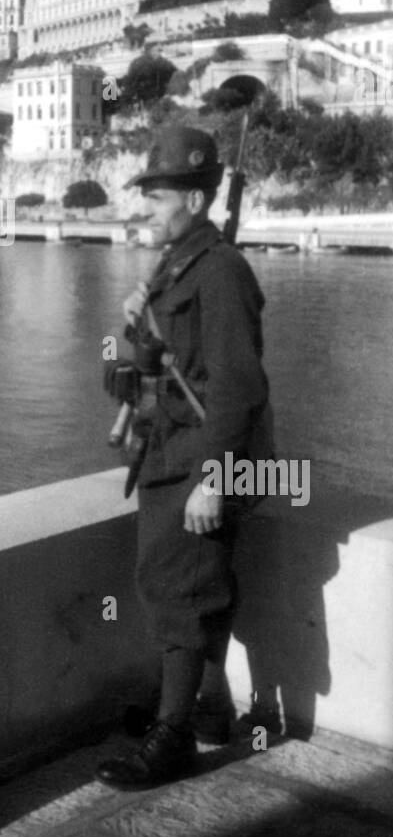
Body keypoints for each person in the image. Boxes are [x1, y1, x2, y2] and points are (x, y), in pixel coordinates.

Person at [96, 125, 275, 789]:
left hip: (202, 462)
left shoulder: (221, 271)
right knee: (196, 591)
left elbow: (238, 384)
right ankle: (206, 709)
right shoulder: (174, 267)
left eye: (160, 194)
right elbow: (136, 377)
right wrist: (132, 332)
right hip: (169, 454)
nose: (146, 206)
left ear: (196, 203)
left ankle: (172, 740)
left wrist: (214, 478)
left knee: (176, 593)